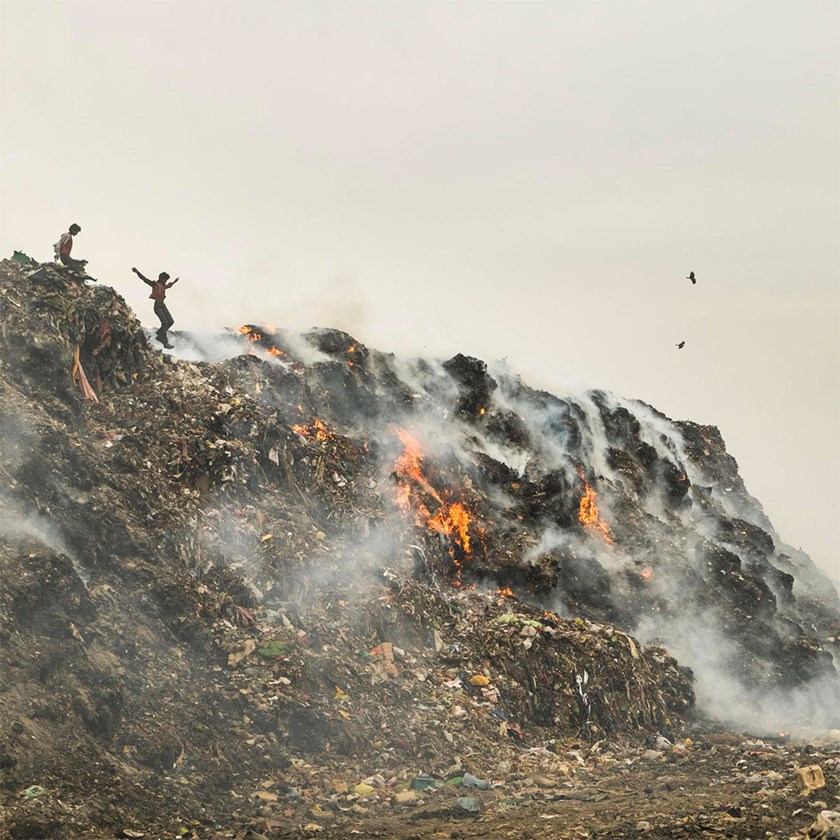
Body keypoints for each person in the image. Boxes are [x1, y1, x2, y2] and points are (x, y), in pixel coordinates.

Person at [132, 266, 179, 349]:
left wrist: (174, 282)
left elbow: (169, 285)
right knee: (164, 322)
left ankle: (160, 333)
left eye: (166, 280)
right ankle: (165, 343)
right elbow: (144, 279)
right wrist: (137, 272)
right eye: (164, 279)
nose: (165, 281)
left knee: (171, 321)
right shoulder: (155, 284)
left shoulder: (163, 286)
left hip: (163, 305)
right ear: (161, 278)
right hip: (157, 305)